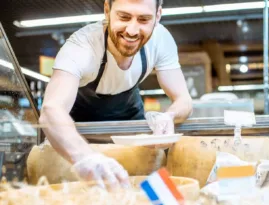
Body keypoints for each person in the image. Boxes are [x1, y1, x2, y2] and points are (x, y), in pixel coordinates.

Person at [39, 0, 192, 190]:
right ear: (106, 10)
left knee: (145, 183)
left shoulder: (161, 40)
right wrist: (86, 157)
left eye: (144, 19)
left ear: (158, 16)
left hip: (129, 116)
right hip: (80, 127)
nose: (132, 30)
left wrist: (169, 116)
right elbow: (51, 110)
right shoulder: (82, 46)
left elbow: (184, 100)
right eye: (124, 17)